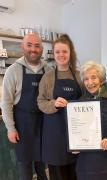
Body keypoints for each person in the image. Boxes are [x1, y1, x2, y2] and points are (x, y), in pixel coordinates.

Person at [1, 33, 49, 180]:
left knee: (43, 165)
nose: (33, 49)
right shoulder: (13, 70)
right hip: (23, 125)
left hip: (43, 124)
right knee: (25, 168)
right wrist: (10, 128)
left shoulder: (48, 70)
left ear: (41, 48)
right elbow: (6, 102)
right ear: (22, 46)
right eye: (29, 45)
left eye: (37, 46)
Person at [37, 34, 82, 180]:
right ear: (53, 54)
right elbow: (41, 102)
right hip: (55, 135)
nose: (61, 55)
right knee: (58, 174)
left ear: (70, 53)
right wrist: (53, 103)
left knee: (77, 173)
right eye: (57, 52)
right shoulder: (48, 77)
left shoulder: (79, 76)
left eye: (64, 51)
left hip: (76, 133)